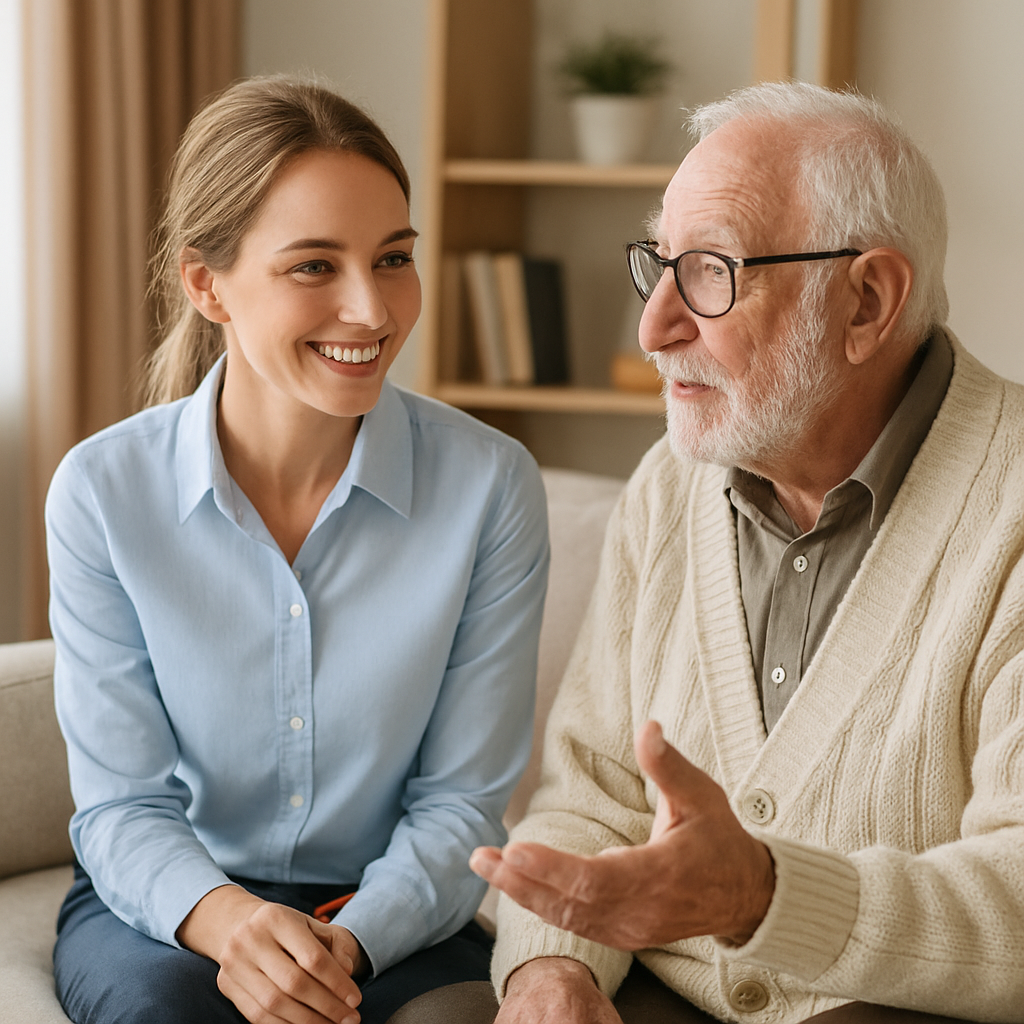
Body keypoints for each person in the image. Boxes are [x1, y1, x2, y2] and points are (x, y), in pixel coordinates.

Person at [466, 82, 1024, 1023]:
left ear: (868, 302)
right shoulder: (669, 487)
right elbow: (590, 802)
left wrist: (760, 897)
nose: (654, 328)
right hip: (662, 994)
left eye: (714, 272)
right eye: (661, 265)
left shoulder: (1009, 510)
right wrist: (550, 971)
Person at [46, 76, 549, 1024]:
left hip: (394, 912)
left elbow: (461, 805)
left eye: (393, 258)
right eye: (315, 266)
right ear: (207, 285)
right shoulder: (103, 492)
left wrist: (347, 941)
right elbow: (121, 807)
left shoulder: (491, 486)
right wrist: (232, 924)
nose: (371, 310)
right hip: (177, 907)